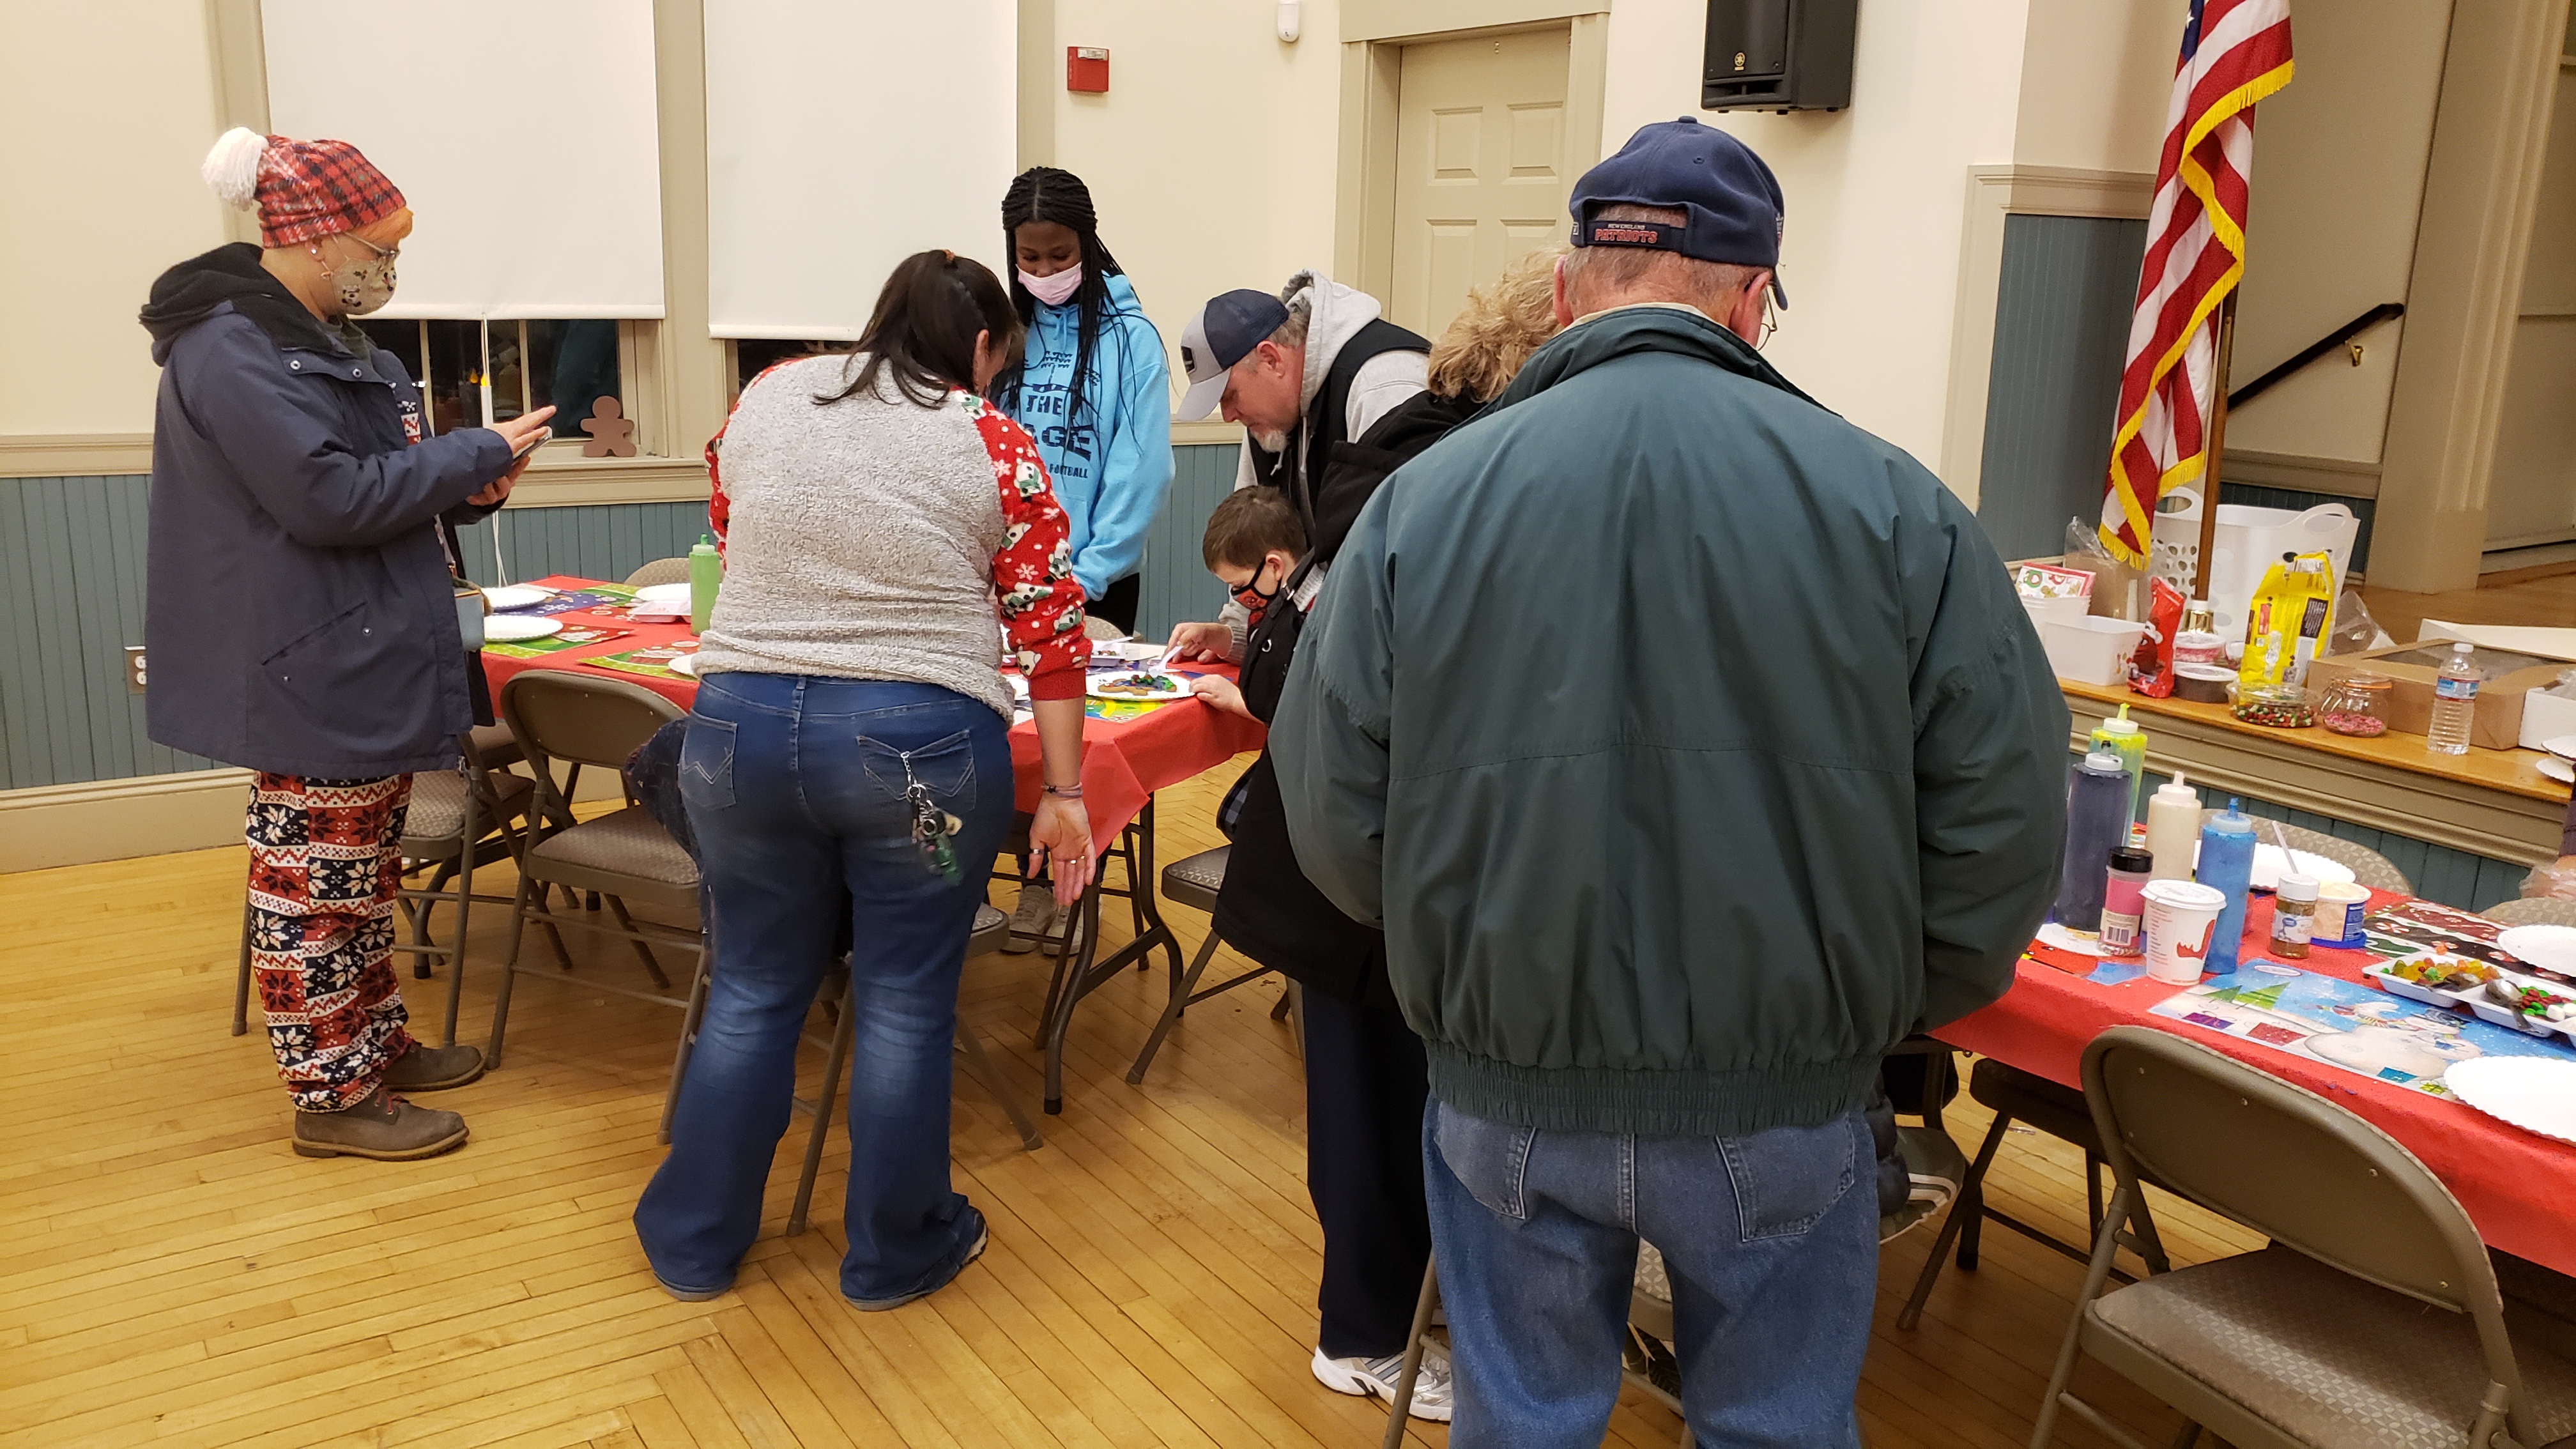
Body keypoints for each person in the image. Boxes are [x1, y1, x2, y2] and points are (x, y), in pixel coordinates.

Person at [1270, 117, 2067, 1446]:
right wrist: (1868, 1009)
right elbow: (2002, 827)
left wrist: (1458, 963)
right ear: (1754, 302)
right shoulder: (1899, 509)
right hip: (1784, 1094)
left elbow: (1332, 813)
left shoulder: (1420, 504)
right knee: (1777, 1428)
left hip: (1508, 1081)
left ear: (1569, 285)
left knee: (1520, 1423)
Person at [632, 250, 1095, 1311]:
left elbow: (730, 525)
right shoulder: (989, 436)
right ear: (980, 344)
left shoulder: (769, 394)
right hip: (915, 744)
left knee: (752, 985)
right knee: (903, 1002)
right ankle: (895, 1252)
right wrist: (1064, 792)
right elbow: (1051, 630)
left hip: (738, 730)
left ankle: (693, 1240)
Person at [1176, 250, 1565, 1421]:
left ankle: (1395, 1310)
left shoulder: (1392, 460)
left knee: (1390, 1104)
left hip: (1359, 858)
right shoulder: (1438, 479)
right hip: (1357, 866)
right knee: (1368, 1113)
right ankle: (1360, 1336)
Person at [142, 127, 555, 1161]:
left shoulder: (327, 339)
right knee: (310, 887)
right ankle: (331, 1097)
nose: (390, 266)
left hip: (359, 645)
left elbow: (376, 484)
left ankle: (374, 1049)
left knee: (363, 880)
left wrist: (469, 486)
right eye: (380, 247)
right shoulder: (232, 347)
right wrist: (470, 453)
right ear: (318, 238)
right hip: (308, 656)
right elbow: (326, 498)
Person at [989, 167, 1172, 955]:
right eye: (1028, 258)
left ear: (1088, 245)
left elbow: (1141, 470)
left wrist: (1082, 580)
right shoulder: (1003, 333)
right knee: (1013, 741)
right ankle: (1028, 880)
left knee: (1072, 746)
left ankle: (1067, 890)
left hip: (1089, 582)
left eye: (1058, 255)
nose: (1043, 271)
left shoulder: (1131, 339)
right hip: (1002, 583)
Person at [1163, 271, 1429, 668]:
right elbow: (1250, 544)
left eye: (1230, 395)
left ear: (1271, 358)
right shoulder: (1267, 420)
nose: (1229, 415)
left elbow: (1400, 563)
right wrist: (1236, 635)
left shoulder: (1383, 385)